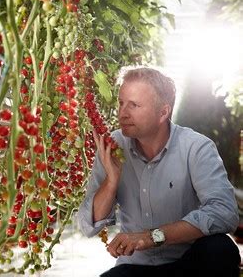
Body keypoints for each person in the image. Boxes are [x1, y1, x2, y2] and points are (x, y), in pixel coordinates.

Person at [78, 67, 241, 277]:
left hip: (188, 263)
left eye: (134, 105)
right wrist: (111, 180)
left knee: (221, 248)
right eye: (121, 103)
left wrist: (152, 237)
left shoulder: (196, 147)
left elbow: (224, 212)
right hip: (136, 267)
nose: (122, 113)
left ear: (163, 112)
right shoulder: (114, 146)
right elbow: (88, 225)